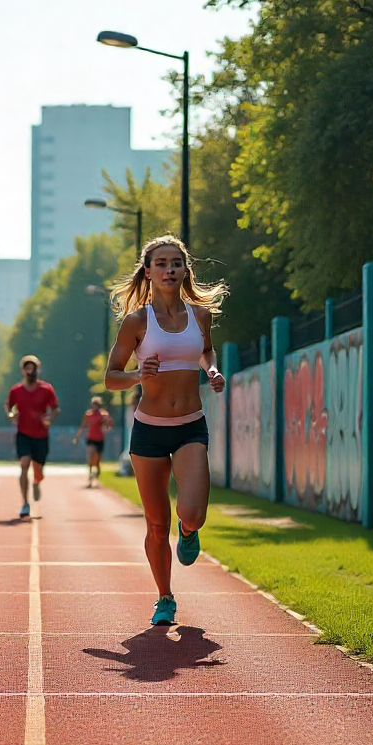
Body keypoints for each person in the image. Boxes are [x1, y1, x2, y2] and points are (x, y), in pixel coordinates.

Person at [104, 236, 227, 626]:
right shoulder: (137, 322)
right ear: (148, 271)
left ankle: (188, 530)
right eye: (161, 264)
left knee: (192, 513)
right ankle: (164, 597)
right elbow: (110, 377)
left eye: (176, 263)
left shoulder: (200, 316)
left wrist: (211, 370)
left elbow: (206, 350)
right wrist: (139, 374)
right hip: (149, 431)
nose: (169, 270)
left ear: (185, 269)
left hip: (191, 425)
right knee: (155, 524)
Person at [5, 356, 59, 519]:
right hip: (23, 433)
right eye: (27, 368)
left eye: (33, 368)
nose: (30, 371)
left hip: (41, 435)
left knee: (39, 470)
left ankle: (37, 481)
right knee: (24, 463)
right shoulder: (16, 390)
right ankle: (24, 503)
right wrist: (10, 414)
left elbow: (55, 408)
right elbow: (8, 405)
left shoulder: (46, 389)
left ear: (38, 370)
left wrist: (49, 418)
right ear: (22, 371)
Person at [72, 396, 114, 488]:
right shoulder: (88, 415)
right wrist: (77, 438)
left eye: (95, 404)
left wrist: (106, 423)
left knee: (97, 460)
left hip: (100, 439)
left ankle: (97, 473)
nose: (93, 406)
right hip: (90, 438)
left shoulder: (104, 414)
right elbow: (82, 426)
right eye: (92, 404)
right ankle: (90, 478)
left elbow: (110, 425)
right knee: (90, 458)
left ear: (98, 405)